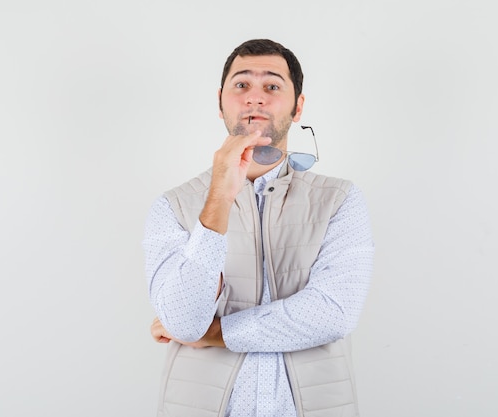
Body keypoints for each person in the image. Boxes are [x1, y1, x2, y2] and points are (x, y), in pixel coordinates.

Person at [143, 39, 374, 417]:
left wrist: (216, 333)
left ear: (298, 106)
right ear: (221, 102)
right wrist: (218, 195)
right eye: (241, 85)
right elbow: (184, 321)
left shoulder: (340, 200)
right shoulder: (173, 207)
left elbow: (333, 312)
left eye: (272, 86)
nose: (255, 98)